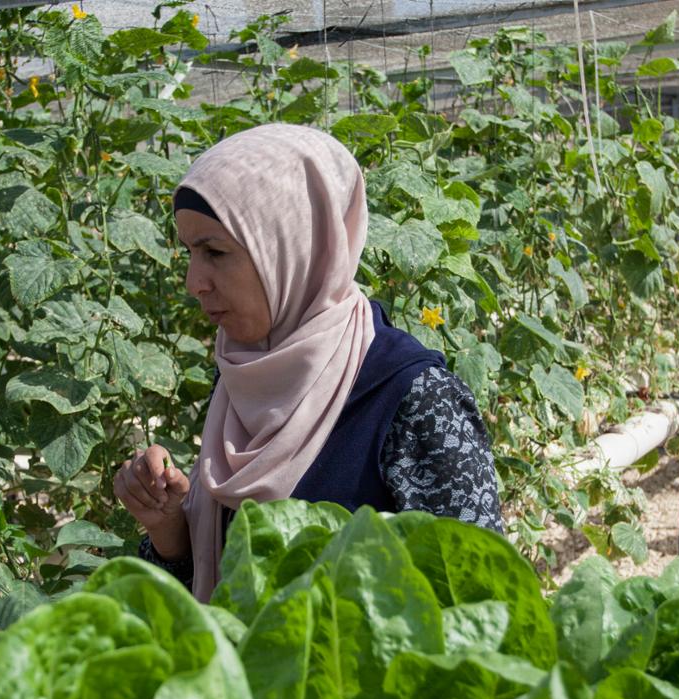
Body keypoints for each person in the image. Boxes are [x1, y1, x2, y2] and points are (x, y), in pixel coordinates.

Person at [113, 123, 503, 603]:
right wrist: (170, 527)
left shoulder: (415, 401)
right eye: (190, 252)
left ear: (293, 246)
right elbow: (224, 593)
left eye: (215, 251)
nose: (195, 282)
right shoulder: (247, 374)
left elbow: (480, 606)